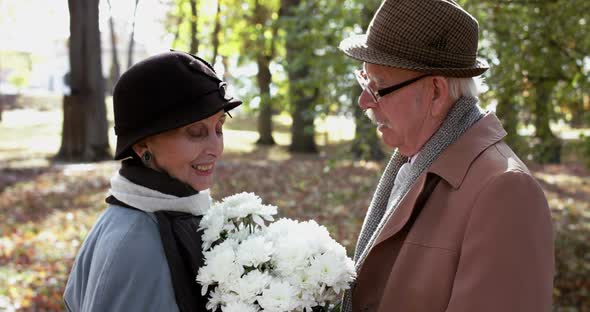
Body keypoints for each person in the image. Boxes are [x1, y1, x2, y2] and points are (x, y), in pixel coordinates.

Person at [338, 0, 554, 311]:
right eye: (364, 81)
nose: (363, 102)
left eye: (378, 87)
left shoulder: (506, 191)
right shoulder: (416, 160)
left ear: (436, 92)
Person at [63, 50, 242, 311]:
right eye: (195, 132)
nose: (216, 148)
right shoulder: (135, 245)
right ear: (142, 144)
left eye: (219, 127)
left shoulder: (174, 210)